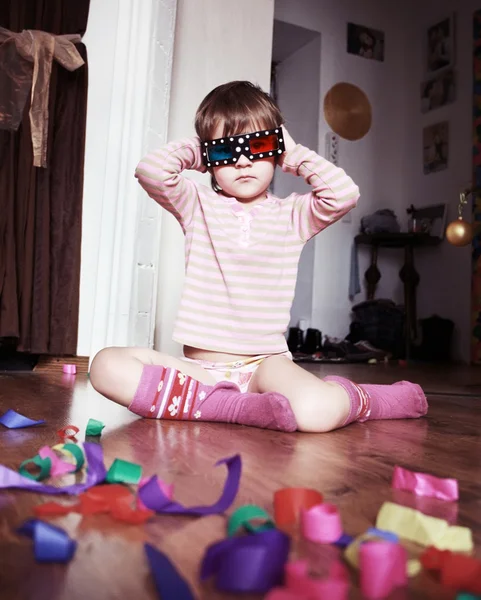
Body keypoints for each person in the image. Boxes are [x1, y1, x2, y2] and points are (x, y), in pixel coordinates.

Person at [89, 80, 427, 433]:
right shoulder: (197, 205)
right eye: (225, 151)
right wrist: (200, 148)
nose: (243, 160)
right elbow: (151, 171)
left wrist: (292, 153)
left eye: (259, 145)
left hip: (265, 366)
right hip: (201, 371)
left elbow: (344, 194)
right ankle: (232, 406)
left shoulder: (293, 215)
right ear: (209, 159)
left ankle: (371, 399)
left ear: (276, 149)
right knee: (105, 366)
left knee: (316, 411)